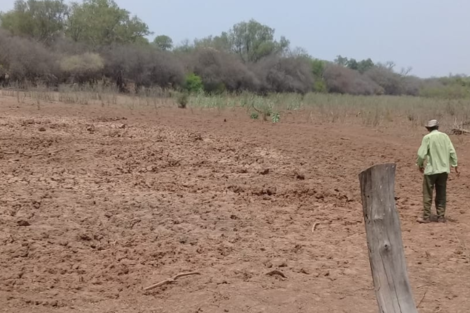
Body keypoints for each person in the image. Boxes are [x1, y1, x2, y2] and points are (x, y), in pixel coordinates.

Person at [416, 119, 459, 223]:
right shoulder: (445, 136)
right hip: (444, 170)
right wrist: (455, 165)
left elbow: (421, 154)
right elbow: (452, 151)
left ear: (428, 128)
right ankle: (441, 216)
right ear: (437, 127)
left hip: (431, 170)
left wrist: (420, 164)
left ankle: (426, 216)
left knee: (428, 193)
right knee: (441, 193)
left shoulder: (427, 137)